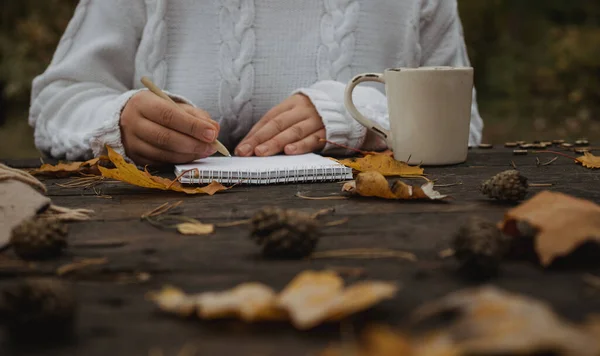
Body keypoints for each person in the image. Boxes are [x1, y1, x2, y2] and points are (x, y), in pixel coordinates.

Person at [29, 0, 483, 166]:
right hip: (154, 243)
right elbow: (58, 99)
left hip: (384, 244)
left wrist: (361, 113)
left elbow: (464, 131)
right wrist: (121, 119)